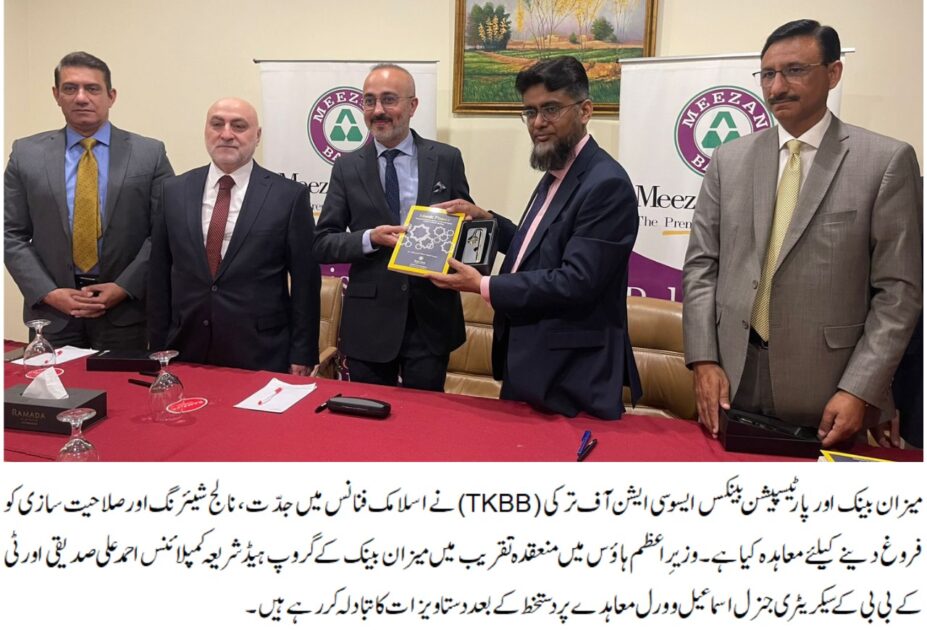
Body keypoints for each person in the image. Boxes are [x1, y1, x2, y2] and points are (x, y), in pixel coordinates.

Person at [683, 19, 922, 448]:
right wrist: (703, 359)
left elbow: (898, 293)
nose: (777, 87)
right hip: (732, 378)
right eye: (767, 74)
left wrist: (859, 388)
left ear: (833, 73)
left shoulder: (885, 162)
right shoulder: (729, 159)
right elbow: (702, 266)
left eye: (794, 70)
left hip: (830, 391)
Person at [428, 56, 642, 419]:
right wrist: (488, 220)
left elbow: (576, 281)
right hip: (532, 364)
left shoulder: (606, 183)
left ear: (585, 110)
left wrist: (483, 285)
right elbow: (540, 250)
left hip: (572, 376)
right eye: (530, 111)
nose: (538, 123)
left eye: (551, 109)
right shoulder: (558, 169)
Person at [313, 63, 472, 391]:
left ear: (413, 105)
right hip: (370, 321)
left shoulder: (447, 158)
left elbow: (465, 224)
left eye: (389, 100)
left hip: (430, 318)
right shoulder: (346, 168)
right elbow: (322, 242)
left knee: (425, 417)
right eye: (369, 101)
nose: (378, 111)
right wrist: (370, 238)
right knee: (368, 416)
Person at [4, 51, 173, 349]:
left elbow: (164, 231)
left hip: (126, 312)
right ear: (56, 95)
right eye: (70, 88)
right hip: (52, 315)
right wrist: (48, 292)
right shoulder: (26, 154)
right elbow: (10, 234)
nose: (81, 97)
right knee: (52, 381)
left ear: (111, 96)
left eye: (92, 88)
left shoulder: (149, 154)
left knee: (123, 382)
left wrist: (124, 287)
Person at [148, 98, 320, 374]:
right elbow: (158, 275)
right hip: (185, 347)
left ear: (257, 135)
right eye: (217, 124)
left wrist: (302, 353)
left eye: (239, 126)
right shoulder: (173, 191)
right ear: (206, 130)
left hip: (261, 351)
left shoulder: (288, 196)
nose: (226, 134)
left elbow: (305, 282)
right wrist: (157, 347)